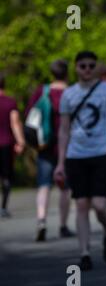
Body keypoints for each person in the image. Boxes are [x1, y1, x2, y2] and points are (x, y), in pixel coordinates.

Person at [54, 51, 106, 271]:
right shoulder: (68, 95)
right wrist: (61, 162)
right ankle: (84, 253)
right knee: (81, 204)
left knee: (100, 205)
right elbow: (64, 130)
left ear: (96, 67)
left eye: (91, 65)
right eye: (82, 66)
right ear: (76, 68)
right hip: (76, 156)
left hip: (101, 154)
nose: (87, 69)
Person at [26, 59, 74, 241]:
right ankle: (63, 225)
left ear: (52, 73)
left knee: (44, 185)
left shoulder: (42, 91)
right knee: (64, 188)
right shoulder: (71, 93)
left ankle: (41, 220)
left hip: (44, 145)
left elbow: (30, 115)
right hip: (67, 147)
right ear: (67, 73)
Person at [0, 74, 25, 218]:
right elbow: (14, 122)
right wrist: (20, 141)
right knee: (6, 176)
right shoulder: (10, 102)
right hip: (6, 144)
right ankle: (3, 207)